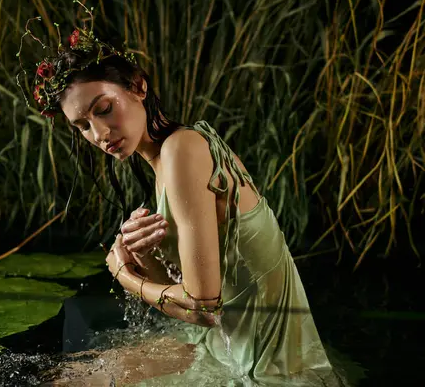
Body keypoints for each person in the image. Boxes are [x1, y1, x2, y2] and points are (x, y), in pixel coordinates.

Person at [27, 23, 347, 386]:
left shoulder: (184, 149)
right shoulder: (166, 162)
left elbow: (203, 306)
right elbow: (192, 304)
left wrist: (123, 275)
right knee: (61, 380)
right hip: (222, 345)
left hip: (267, 369)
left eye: (102, 109)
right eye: (82, 126)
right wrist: (143, 255)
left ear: (138, 86)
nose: (99, 135)